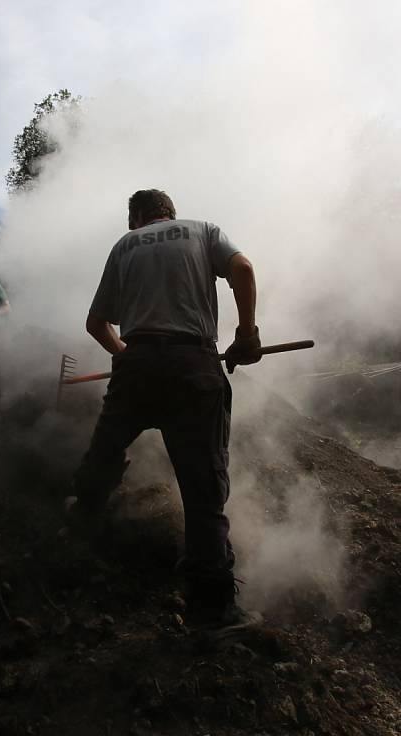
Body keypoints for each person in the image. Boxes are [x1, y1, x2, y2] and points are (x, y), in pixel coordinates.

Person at [65, 189, 262, 628]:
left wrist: (124, 354)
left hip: (137, 365)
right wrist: (246, 334)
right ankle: (212, 607)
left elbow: (96, 323)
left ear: (136, 218)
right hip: (193, 365)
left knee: (105, 450)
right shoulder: (203, 230)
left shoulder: (125, 244)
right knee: (202, 484)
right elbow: (243, 269)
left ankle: (82, 524)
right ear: (169, 213)